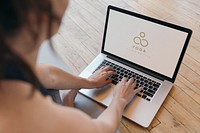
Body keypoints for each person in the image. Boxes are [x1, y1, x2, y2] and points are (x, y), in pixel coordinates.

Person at [0, 0, 142, 133]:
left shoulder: (9, 56)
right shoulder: (31, 117)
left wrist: (89, 82)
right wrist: (119, 100)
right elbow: (101, 128)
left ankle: (68, 100)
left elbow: (47, 74)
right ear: (40, 18)